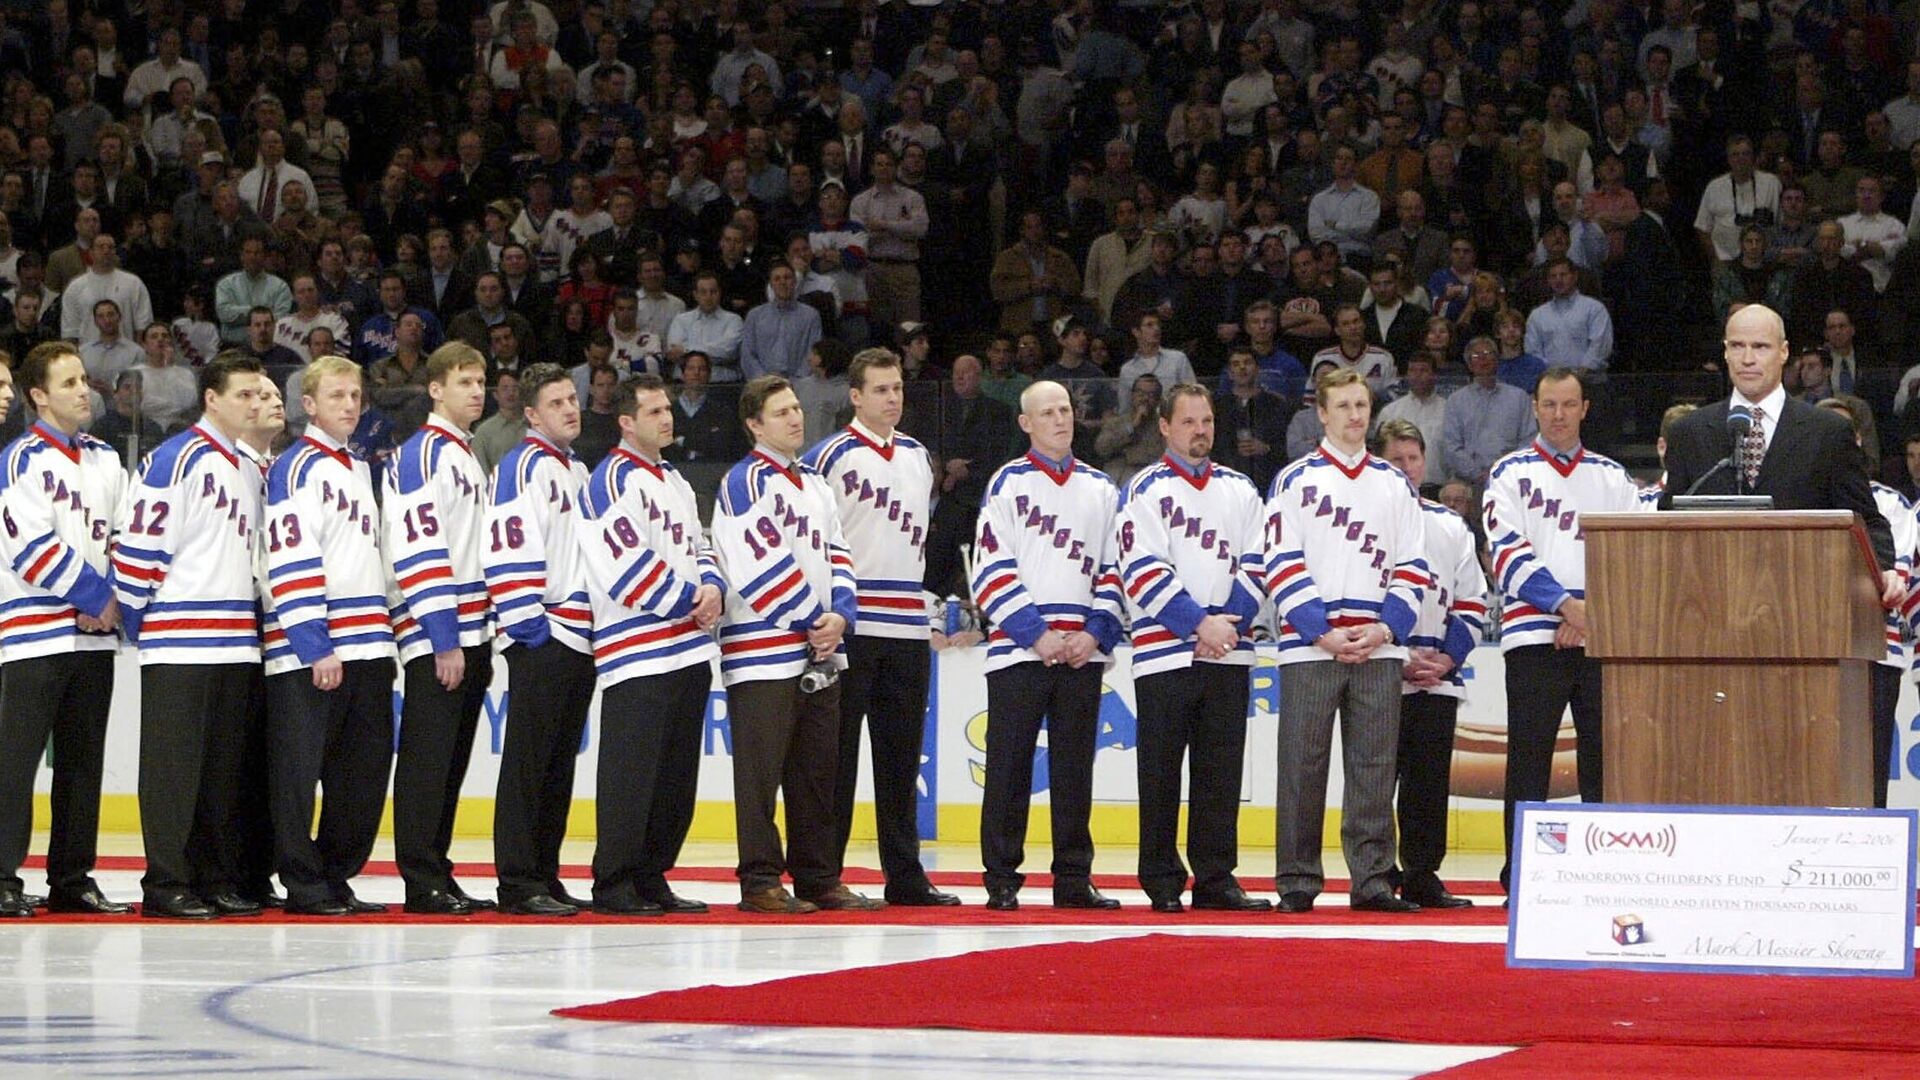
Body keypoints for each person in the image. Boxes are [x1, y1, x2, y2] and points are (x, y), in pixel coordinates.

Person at [1263, 366, 1430, 914]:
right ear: (1322, 412)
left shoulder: (1393, 482)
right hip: (1313, 646)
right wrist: (1324, 632)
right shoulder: (1295, 480)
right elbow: (1281, 562)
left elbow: (1414, 565)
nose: (1356, 416)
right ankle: (1297, 880)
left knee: (1375, 766)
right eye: (1344, 407)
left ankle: (1373, 880)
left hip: (1380, 646)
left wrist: (1385, 628)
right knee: (1302, 765)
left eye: (1362, 406)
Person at [112, 352, 268, 919]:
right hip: (180, 640)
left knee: (220, 772)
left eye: (260, 393)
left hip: (236, 641)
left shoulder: (247, 466)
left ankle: (211, 875)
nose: (255, 403)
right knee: (173, 771)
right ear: (213, 399)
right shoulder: (177, 458)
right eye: (245, 394)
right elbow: (138, 549)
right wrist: (137, 622)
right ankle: (166, 882)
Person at [1483, 367, 1647, 894]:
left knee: (1602, 760)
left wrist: (1588, 615)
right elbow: (1507, 554)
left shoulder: (1612, 477)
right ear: (1535, 407)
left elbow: (1631, 555)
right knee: (1529, 759)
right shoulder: (1508, 473)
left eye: (1567, 404)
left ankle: (1598, 872)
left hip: (1598, 637)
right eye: (1549, 404)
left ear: (1584, 409)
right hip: (1533, 637)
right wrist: (1564, 606)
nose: (1558, 414)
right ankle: (1523, 875)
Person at [802, 349, 957, 907]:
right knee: (835, 761)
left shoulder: (918, 456)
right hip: (852, 626)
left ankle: (906, 874)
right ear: (856, 396)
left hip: (909, 628)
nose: (893, 397)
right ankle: (824, 874)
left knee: (900, 760)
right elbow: (811, 541)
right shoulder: (829, 456)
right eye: (882, 389)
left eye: (898, 388)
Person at [713, 375, 870, 914]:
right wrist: (813, 619)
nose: (796, 418)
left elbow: (840, 553)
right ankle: (759, 881)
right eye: (781, 412)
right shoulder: (744, 483)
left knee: (815, 772)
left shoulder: (816, 484)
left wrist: (841, 616)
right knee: (760, 776)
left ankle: (818, 877)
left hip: (821, 648)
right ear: (754, 424)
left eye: (797, 408)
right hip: (762, 651)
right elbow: (759, 565)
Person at [971, 380, 1126, 912]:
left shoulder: (1102, 489)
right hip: (1020, 652)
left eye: (1065, 410)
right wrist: (1035, 633)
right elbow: (991, 570)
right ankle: (1001, 877)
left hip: (1083, 651)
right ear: (1026, 423)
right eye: (1048, 412)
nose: (1060, 419)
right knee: (1009, 766)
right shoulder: (1007, 484)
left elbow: (1116, 570)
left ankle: (1073, 877)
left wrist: (1093, 632)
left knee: (1074, 769)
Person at [577, 372, 725, 916]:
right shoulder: (610, 480)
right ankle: (613, 881)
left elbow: (701, 545)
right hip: (636, 650)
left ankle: (652, 874)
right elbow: (625, 568)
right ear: (625, 421)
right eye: (655, 411)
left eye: (668, 409)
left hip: (688, 649)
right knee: (631, 774)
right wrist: (694, 598)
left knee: (674, 776)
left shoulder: (675, 481)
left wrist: (713, 587)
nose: (667, 418)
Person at [1118, 384, 1270, 914]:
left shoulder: (1241, 489)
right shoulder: (1144, 490)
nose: (1200, 431)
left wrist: (1226, 627)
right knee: (1160, 772)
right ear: (1164, 426)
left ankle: (1216, 878)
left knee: (1220, 773)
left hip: (1230, 652)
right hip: (1165, 656)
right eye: (1188, 422)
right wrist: (1198, 624)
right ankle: (1160, 878)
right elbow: (1141, 570)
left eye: (1206, 421)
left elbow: (1260, 562)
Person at [259, 356, 397, 916]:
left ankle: (336, 875)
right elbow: (289, 558)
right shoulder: (295, 468)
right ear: (309, 404)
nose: (349, 405)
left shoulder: (359, 468)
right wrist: (314, 643)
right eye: (337, 396)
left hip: (370, 643)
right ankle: (302, 881)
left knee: (361, 773)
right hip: (315, 647)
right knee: (298, 773)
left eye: (356, 396)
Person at [0, 343, 129, 917]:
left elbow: (127, 536)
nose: (85, 390)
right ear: (38, 395)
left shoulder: (106, 458)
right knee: (14, 761)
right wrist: (96, 595)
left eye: (84, 380)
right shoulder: (20, 459)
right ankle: (3, 876)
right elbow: (29, 546)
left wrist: (113, 601)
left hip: (94, 638)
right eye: (70, 382)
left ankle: (72, 877)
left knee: (83, 762)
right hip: (33, 636)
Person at [385, 343, 498, 915]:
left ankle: (437, 867)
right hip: (441, 634)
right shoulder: (425, 455)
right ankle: (420, 876)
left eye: (481, 381)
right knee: (429, 758)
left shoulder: (462, 453)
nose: (477, 391)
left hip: (471, 631)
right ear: (435, 389)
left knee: (450, 760)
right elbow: (420, 550)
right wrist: (443, 636)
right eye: (463, 381)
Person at [1662, 305, 1897, 579]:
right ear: (1725, 351)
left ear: (1784, 352)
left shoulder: (1829, 432)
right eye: (1737, 346)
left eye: (1761, 347)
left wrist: (1883, 572)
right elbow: (1666, 526)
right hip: (1709, 597)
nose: (1747, 358)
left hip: (1804, 597)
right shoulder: (1688, 433)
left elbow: (1866, 523)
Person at [482, 363, 596, 916]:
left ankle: (545, 873)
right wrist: (530, 629)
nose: (570, 409)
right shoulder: (523, 465)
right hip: (545, 634)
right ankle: (518, 881)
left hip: (578, 635)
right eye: (556, 403)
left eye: (572, 399)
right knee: (531, 762)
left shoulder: (574, 467)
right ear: (531, 414)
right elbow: (506, 547)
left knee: (557, 763)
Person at [1376, 418, 1486, 908]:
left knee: (1428, 782)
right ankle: (1376, 875)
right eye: (1395, 460)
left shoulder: (1448, 524)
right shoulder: (1366, 525)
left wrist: (1446, 657)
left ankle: (1422, 874)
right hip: (1379, 674)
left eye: (1413, 458)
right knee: (1375, 783)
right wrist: (1394, 655)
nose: (1406, 468)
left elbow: (1473, 600)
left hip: (1437, 678)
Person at [1816, 397, 1912, 810]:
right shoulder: (1793, 501)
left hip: (1874, 654)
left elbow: (1892, 587)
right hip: (1806, 650)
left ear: (1856, 440)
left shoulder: (1891, 505)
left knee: (1868, 774)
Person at [1442, 336, 1537, 485]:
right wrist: (1477, 474)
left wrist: (1507, 471)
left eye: (1488, 353)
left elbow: (1529, 440)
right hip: (1469, 483)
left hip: (1512, 480)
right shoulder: (1456, 401)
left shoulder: (1519, 397)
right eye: (1476, 356)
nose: (1483, 359)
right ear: (1469, 364)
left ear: (1497, 359)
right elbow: (1451, 446)